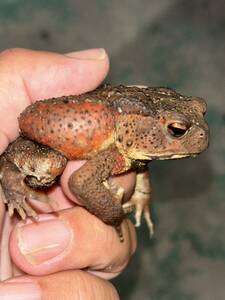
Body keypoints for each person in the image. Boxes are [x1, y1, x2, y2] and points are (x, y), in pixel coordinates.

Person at [0, 48, 137, 300]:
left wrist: (140, 194)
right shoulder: (117, 146)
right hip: (37, 147)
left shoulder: (127, 147)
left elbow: (135, 166)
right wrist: (115, 214)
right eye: (177, 130)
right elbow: (82, 181)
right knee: (51, 164)